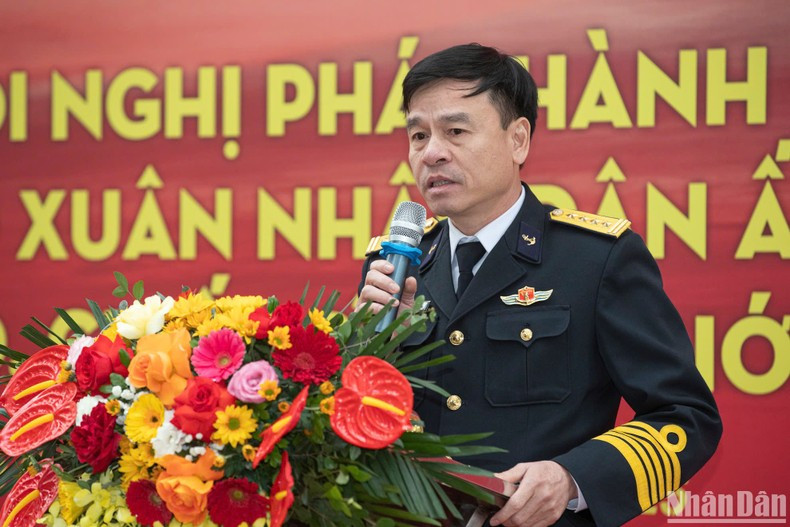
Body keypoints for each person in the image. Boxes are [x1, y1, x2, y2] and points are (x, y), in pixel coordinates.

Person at [357, 43, 721, 527]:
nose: (432, 153)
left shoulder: (596, 259)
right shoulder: (393, 266)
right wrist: (366, 346)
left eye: (455, 131)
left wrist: (572, 479)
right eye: (418, 135)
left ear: (518, 140)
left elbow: (685, 415)